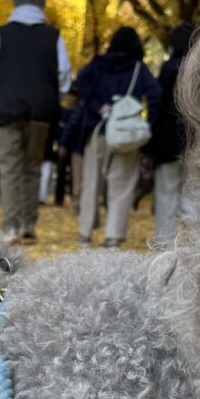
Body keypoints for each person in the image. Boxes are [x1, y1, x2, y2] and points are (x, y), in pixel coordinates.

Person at [0, 0, 71, 244]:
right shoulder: (53, 37)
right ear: (41, 6)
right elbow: (63, 76)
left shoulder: (1, 35)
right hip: (41, 113)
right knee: (33, 167)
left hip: (7, 110)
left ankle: (11, 226)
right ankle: (28, 223)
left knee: (9, 169)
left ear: (16, 5)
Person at [61, 26, 161, 247]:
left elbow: (81, 84)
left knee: (91, 183)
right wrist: (147, 125)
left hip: (97, 131)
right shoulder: (139, 69)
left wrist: (98, 106)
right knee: (121, 185)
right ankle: (113, 236)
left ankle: (84, 233)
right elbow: (156, 95)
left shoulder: (97, 65)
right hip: (127, 135)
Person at [146, 23, 196, 248]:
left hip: (168, 141)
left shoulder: (168, 68)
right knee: (192, 198)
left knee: (166, 195)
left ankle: (164, 245)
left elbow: (158, 104)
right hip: (195, 141)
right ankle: (190, 245)